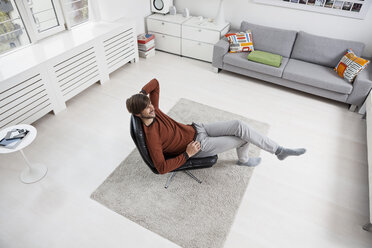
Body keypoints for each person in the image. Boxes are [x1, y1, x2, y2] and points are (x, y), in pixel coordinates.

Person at [126, 78, 306, 174]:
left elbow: (155, 83)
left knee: (239, 125)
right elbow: (161, 167)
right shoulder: (151, 136)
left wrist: (142, 94)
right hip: (198, 146)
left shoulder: (154, 109)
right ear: (137, 114)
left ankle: (279, 150)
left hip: (198, 128)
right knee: (243, 137)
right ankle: (245, 160)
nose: (151, 108)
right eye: (146, 108)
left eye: (149, 103)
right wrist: (187, 154)